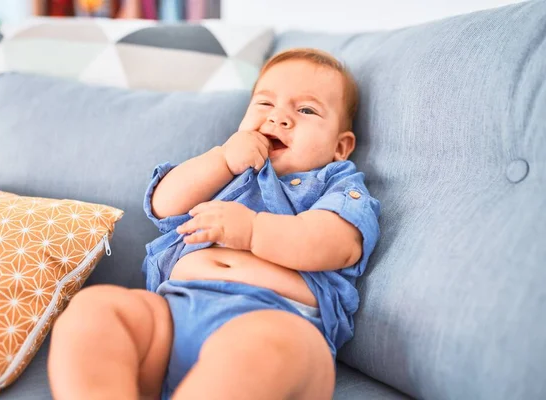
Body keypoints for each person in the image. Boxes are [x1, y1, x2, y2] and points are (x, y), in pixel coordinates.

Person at [48, 48, 381, 400]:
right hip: (172, 317)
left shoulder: (337, 183)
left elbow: (333, 244)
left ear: (340, 147)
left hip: (280, 321)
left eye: (306, 110)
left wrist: (253, 231)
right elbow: (164, 204)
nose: (280, 118)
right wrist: (222, 158)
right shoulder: (225, 169)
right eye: (266, 104)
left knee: (261, 350)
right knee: (95, 310)